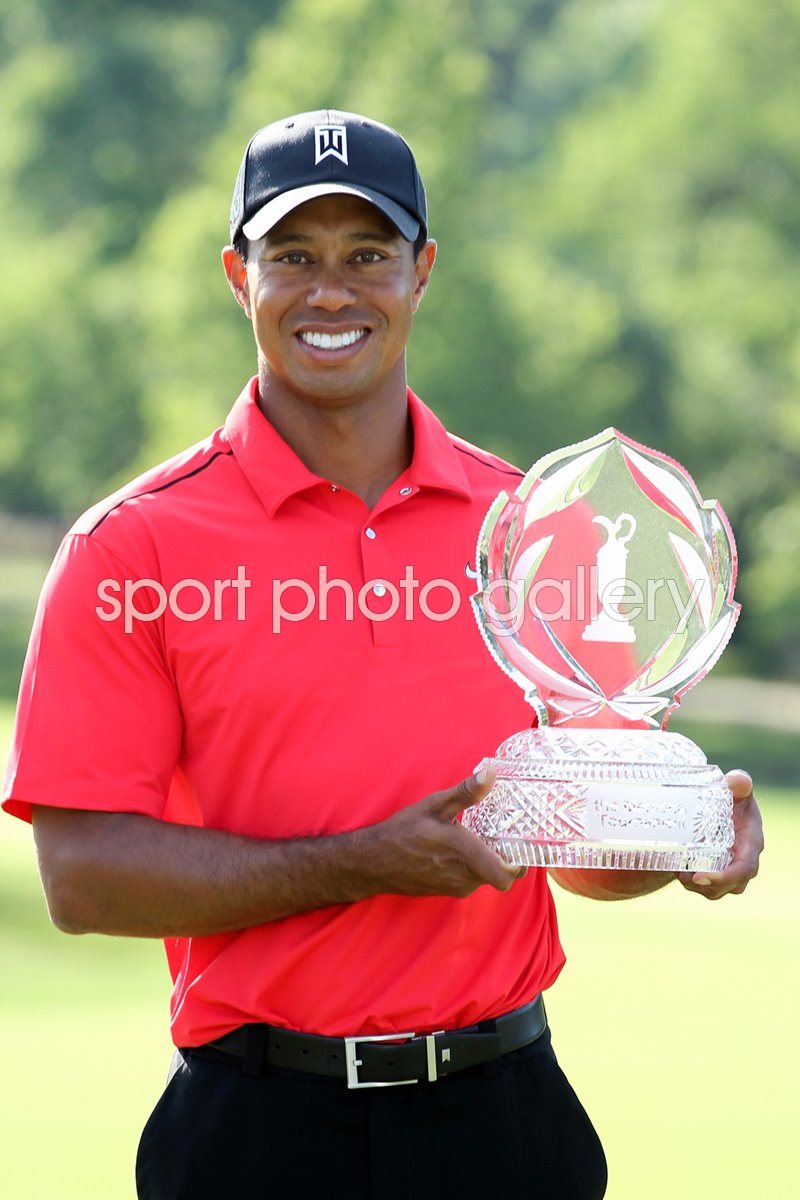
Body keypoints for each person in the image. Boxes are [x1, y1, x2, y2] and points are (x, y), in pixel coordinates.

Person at [2, 109, 763, 1200]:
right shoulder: (131, 546)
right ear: (235, 275)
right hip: (258, 1130)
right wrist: (359, 862)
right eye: (292, 257)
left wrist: (674, 842)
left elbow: (569, 849)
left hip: (505, 1118)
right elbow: (80, 879)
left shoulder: (529, 525)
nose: (330, 292)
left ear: (422, 272)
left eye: (367, 255)